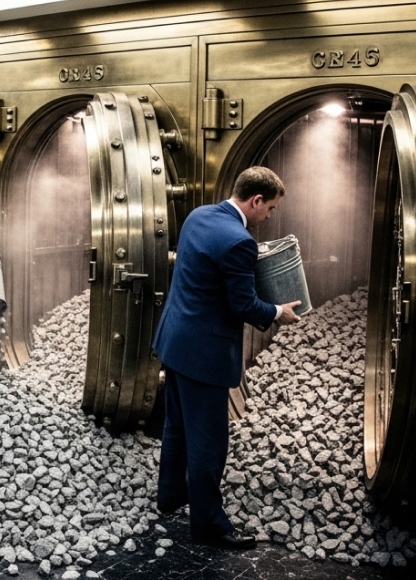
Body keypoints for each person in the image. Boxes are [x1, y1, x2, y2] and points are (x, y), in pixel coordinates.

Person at [153, 166, 302, 549]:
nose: (269, 216)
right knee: (209, 443)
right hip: (205, 353)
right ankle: (210, 526)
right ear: (255, 201)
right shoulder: (239, 241)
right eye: (269, 208)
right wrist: (276, 313)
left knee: (176, 426)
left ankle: (170, 496)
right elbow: (243, 305)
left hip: (175, 341)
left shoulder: (199, 215)